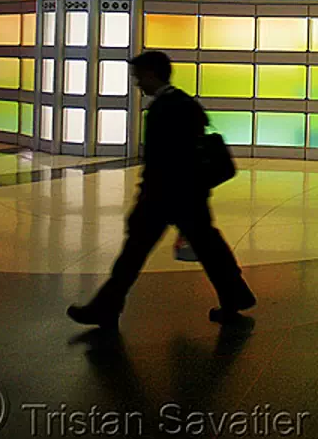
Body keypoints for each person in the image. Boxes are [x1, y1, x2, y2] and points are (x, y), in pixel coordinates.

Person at [68, 51, 255, 328]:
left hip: (164, 197)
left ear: (152, 74)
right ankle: (235, 297)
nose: (137, 83)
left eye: (139, 77)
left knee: (134, 254)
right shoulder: (184, 102)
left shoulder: (163, 109)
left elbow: (159, 161)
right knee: (209, 249)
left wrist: (144, 197)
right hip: (189, 196)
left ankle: (105, 308)